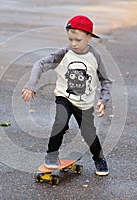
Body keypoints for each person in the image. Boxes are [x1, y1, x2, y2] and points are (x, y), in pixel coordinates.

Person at [22, 15, 112, 176]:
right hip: (64, 97)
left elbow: (106, 81)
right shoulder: (64, 53)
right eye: (71, 39)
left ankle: (99, 159)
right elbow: (40, 64)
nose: (73, 44)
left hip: (84, 103)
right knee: (60, 120)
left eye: (78, 39)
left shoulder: (95, 57)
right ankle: (52, 154)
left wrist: (103, 101)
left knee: (88, 132)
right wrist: (30, 85)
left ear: (89, 37)